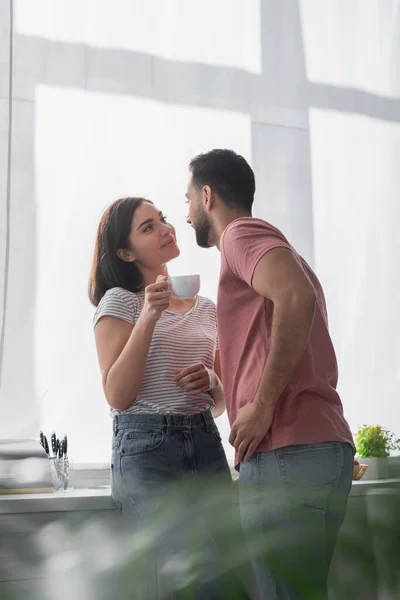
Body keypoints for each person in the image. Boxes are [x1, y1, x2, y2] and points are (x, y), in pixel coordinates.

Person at [185, 149, 355, 600]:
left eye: (187, 202)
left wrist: (261, 405)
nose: (186, 217)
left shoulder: (241, 234)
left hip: (285, 450)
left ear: (207, 196)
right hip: (322, 448)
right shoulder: (281, 252)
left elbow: (295, 298)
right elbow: (293, 305)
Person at [88, 197, 249, 599]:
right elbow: (118, 395)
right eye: (148, 227)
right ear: (125, 253)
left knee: (230, 571)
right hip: (146, 452)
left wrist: (212, 379)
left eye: (163, 219)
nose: (165, 228)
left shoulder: (207, 308)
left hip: (205, 443)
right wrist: (148, 315)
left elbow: (218, 403)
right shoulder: (120, 303)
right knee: (207, 576)